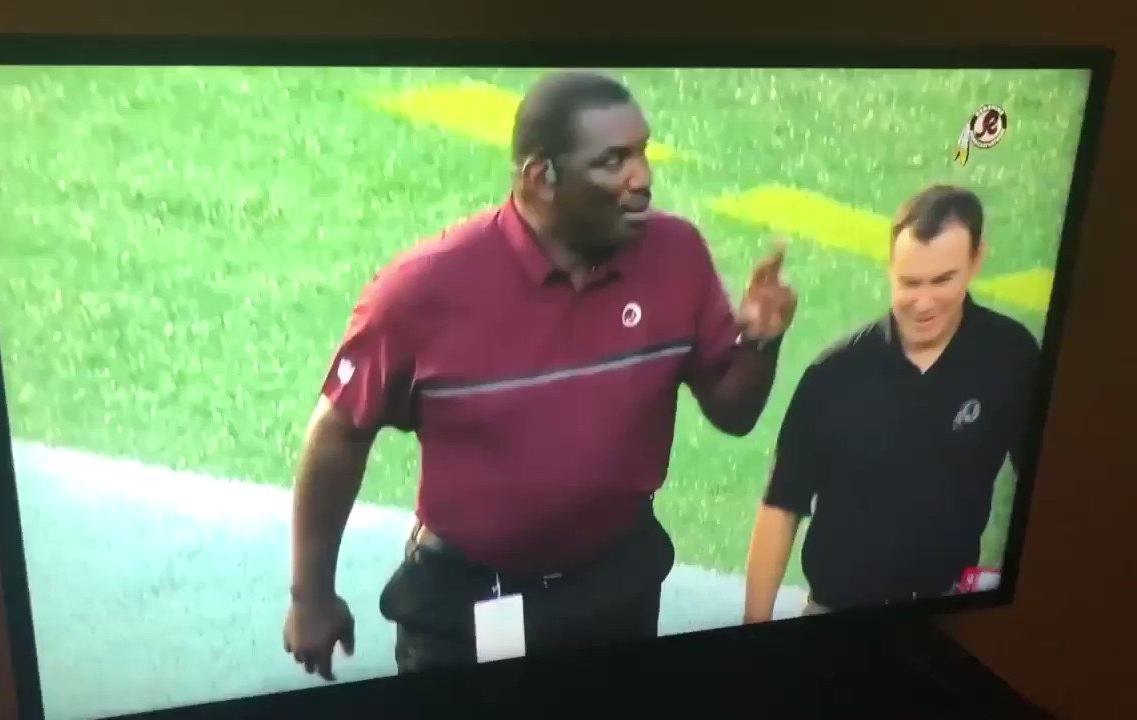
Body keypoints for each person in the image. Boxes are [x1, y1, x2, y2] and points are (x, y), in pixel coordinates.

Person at [283, 69, 798, 680]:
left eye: (642, 153)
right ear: (540, 178)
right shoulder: (424, 290)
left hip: (616, 585)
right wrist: (310, 595)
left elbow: (732, 413)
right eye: (612, 161)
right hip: (472, 599)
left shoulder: (674, 254)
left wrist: (761, 342)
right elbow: (339, 433)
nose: (642, 178)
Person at [742, 184, 1041, 622]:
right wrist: (753, 629)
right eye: (909, 282)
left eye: (942, 280)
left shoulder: (1010, 357)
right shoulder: (834, 373)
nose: (923, 303)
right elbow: (781, 506)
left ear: (976, 260)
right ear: (890, 268)